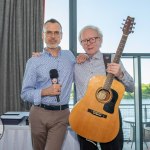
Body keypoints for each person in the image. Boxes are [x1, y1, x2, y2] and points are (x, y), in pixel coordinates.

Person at [74, 25, 134, 150]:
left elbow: (131, 87)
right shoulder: (76, 64)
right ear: (81, 43)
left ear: (100, 40)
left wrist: (120, 74)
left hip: (109, 118)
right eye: (84, 40)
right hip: (84, 117)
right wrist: (38, 56)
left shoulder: (111, 59)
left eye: (92, 39)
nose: (88, 43)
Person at [21, 18, 77, 150]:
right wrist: (45, 91)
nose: (53, 36)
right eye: (49, 32)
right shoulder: (34, 61)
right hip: (38, 114)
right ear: (43, 35)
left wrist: (84, 57)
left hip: (61, 115)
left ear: (61, 35)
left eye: (57, 33)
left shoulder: (70, 56)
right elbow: (25, 93)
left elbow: (79, 74)